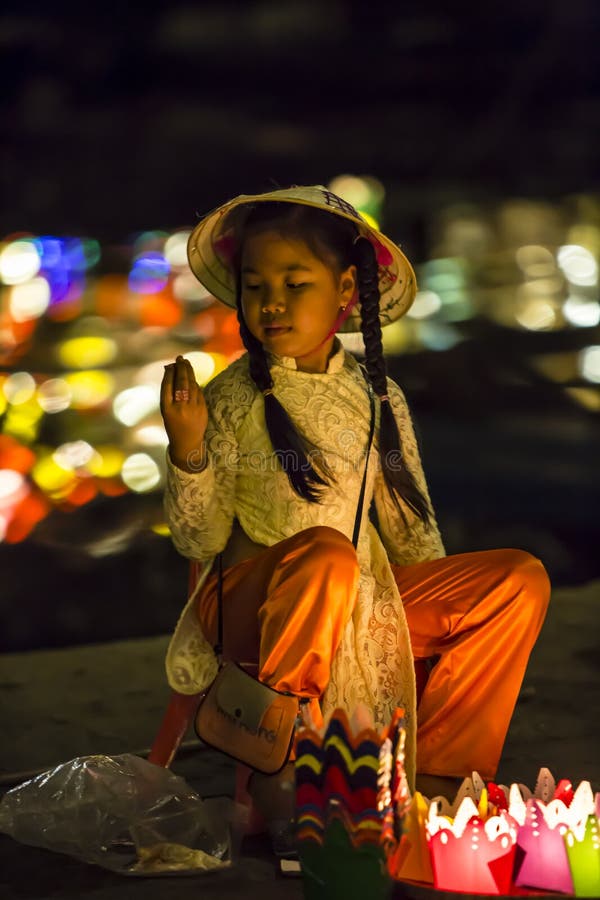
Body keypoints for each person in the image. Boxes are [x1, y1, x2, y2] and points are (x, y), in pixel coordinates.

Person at [159, 185, 550, 840]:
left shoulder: (378, 397)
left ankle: (442, 777)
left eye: (294, 281)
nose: (272, 301)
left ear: (345, 290)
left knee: (518, 579)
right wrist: (187, 448)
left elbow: (408, 528)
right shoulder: (228, 398)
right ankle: (275, 759)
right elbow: (198, 536)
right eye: (255, 285)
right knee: (327, 554)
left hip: (358, 602)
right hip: (252, 606)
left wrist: (432, 634)